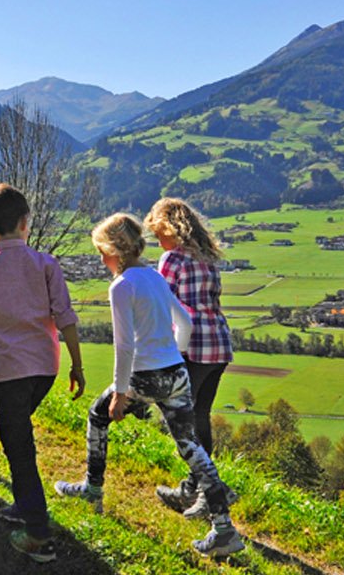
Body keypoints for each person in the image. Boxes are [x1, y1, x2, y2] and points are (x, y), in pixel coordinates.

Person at [53, 214, 245, 558]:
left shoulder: (122, 285)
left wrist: (121, 392)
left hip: (145, 374)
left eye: (102, 252)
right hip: (176, 372)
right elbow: (183, 321)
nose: (101, 260)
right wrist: (178, 354)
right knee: (192, 447)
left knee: (98, 417)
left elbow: (124, 346)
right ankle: (224, 529)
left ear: (116, 251)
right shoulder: (156, 277)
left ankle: (92, 490)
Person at [0, 183, 87, 563]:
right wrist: (76, 365)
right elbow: (66, 317)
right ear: (26, 223)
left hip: (9, 371)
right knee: (19, 436)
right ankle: (25, 504)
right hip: (46, 367)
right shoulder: (46, 264)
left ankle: (38, 535)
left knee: (18, 447)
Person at [144, 198, 236, 515]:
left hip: (192, 345)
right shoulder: (208, 256)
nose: (158, 242)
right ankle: (193, 489)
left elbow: (164, 307)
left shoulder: (172, 259)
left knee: (182, 423)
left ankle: (211, 493)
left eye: (158, 234)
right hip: (218, 343)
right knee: (199, 419)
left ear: (170, 230)